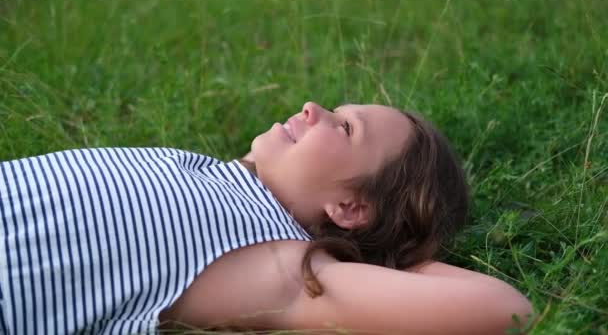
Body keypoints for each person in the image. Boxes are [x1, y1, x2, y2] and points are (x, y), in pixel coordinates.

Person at [0, 102, 533, 334]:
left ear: (350, 208)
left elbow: (506, 310)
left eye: (345, 129)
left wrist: (395, 259)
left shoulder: (280, 265)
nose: (310, 108)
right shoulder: (209, 172)